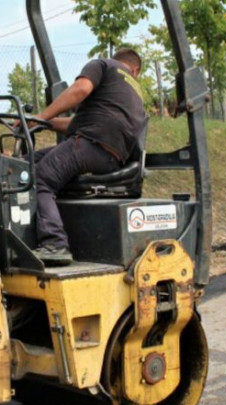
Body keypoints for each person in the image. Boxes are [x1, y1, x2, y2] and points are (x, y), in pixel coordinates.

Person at [28, 48, 146, 266]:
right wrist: (42, 122)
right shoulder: (133, 92)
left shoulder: (103, 65)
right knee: (28, 163)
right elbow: (74, 124)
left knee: (38, 179)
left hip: (90, 143)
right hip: (109, 155)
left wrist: (42, 115)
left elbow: (81, 89)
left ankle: (55, 243)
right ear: (136, 71)